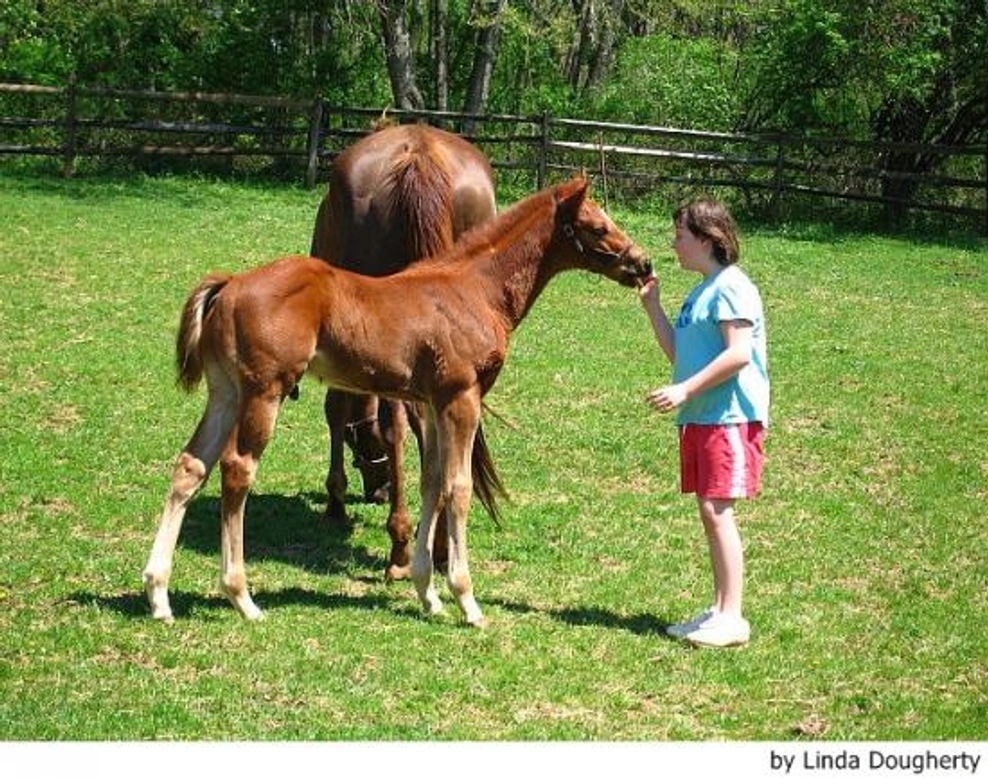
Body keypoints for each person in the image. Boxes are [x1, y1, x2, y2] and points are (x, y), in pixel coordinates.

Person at [638, 199, 769, 648]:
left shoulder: (733, 286)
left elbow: (739, 354)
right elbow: (681, 355)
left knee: (717, 511)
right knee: (709, 512)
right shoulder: (702, 291)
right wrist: (652, 307)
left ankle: (733, 618)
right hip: (701, 417)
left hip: (728, 416)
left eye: (680, 236)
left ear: (707, 240)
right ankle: (718, 609)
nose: (674, 244)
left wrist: (684, 392)